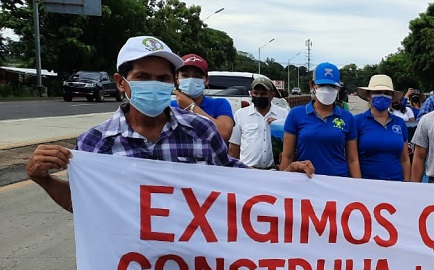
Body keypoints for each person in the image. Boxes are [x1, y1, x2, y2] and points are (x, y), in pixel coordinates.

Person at [25, 35, 314, 212]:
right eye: (142, 77)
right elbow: (84, 205)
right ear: (121, 82)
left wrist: (284, 177)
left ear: (173, 83)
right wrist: (44, 179)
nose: (154, 85)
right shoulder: (95, 142)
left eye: (163, 79)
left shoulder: (201, 131)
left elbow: (235, 178)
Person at [280, 62, 361, 178]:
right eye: (322, 85)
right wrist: (282, 183)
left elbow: (353, 160)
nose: (327, 90)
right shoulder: (296, 114)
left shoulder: (347, 117)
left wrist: (359, 188)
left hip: (339, 181)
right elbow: (287, 156)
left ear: (338, 88)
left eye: (332, 86)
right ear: (312, 85)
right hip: (306, 179)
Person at [355, 74, 410, 181]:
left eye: (386, 93)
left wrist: (407, 183)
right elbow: (352, 159)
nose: (382, 96)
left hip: (396, 185)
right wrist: (358, 184)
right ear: (368, 96)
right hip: (367, 186)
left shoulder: (400, 123)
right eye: (377, 92)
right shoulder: (357, 121)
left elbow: (405, 159)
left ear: (392, 97)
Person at [170, 53, 234, 141]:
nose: (191, 80)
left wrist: (191, 107)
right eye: (185, 75)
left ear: (206, 80)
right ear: (177, 79)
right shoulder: (169, 106)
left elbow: (224, 134)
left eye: (197, 76)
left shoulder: (219, 104)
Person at [228, 76, 289, 169]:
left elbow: (291, 144)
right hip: (247, 170)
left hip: (274, 171)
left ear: (272, 95)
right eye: (255, 93)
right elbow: (234, 147)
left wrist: (279, 125)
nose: (259, 96)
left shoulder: (284, 114)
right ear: (251, 93)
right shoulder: (240, 114)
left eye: (263, 94)